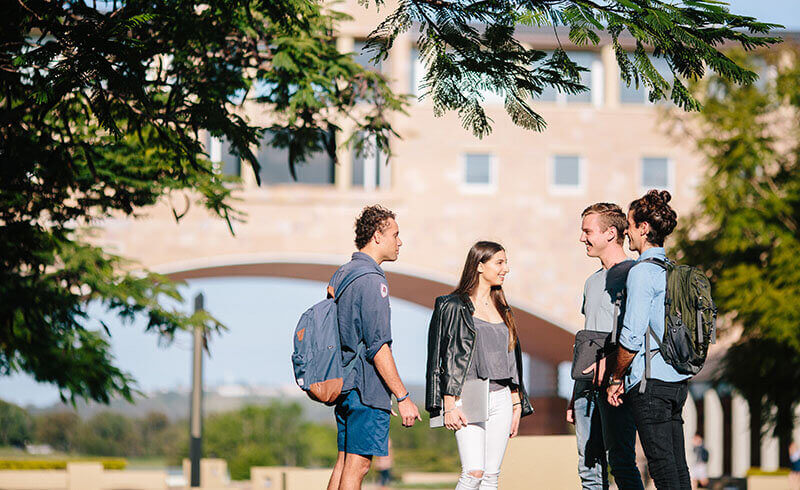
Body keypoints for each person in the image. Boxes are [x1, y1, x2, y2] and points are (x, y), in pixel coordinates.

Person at [425, 241, 534, 489]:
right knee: (473, 472)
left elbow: (511, 358)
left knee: (491, 476)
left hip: (502, 397)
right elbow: (438, 358)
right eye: (500, 262)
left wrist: (517, 403)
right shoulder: (450, 305)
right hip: (468, 394)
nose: (506, 268)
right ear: (480, 266)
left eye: (506, 262)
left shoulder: (504, 308)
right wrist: (448, 404)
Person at [327, 205, 421, 490]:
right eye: (395, 234)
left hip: (343, 383)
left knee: (344, 461)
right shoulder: (372, 280)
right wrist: (402, 396)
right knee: (359, 465)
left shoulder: (342, 274)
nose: (400, 242)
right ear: (377, 236)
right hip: (365, 388)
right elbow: (378, 346)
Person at [606, 190, 692, 490]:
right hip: (677, 382)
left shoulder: (642, 272)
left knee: (662, 468)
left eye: (629, 224)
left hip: (649, 383)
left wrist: (616, 377)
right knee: (678, 467)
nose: (626, 230)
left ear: (644, 228)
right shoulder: (672, 270)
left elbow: (630, 337)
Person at [568, 203, 643, 490]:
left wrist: (616, 375)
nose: (582, 238)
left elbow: (637, 336)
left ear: (611, 233)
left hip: (617, 386)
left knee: (621, 461)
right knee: (588, 468)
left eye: (587, 231)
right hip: (587, 388)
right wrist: (574, 395)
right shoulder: (591, 282)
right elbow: (587, 340)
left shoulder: (634, 275)